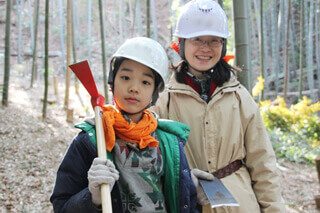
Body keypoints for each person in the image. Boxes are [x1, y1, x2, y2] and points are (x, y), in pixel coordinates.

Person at [151, 0, 286, 212]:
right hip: (188, 201)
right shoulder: (163, 100)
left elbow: (263, 164)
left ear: (223, 45)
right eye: (197, 39)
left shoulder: (239, 97)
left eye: (214, 40)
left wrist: (274, 209)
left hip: (240, 204)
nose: (205, 48)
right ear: (182, 43)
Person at [50, 37, 198, 213]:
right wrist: (92, 198)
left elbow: (186, 203)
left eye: (145, 82)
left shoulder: (169, 142)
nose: (134, 88)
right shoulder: (91, 139)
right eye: (125, 77)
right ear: (112, 82)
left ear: (155, 91)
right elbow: (61, 206)